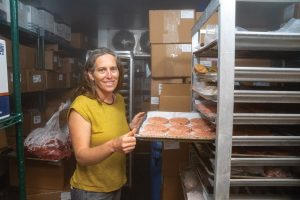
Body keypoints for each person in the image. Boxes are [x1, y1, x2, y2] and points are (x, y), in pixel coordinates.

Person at [68, 47, 145, 200]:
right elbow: (81, 156)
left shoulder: (118, 100)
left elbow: (108, 131)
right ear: (91, 75)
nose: (110, 76)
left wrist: (130, 127)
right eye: (102, 70)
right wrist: (113, 145)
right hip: (91, 192)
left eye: (113, 69)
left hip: (116, 184)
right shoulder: (82, 106)